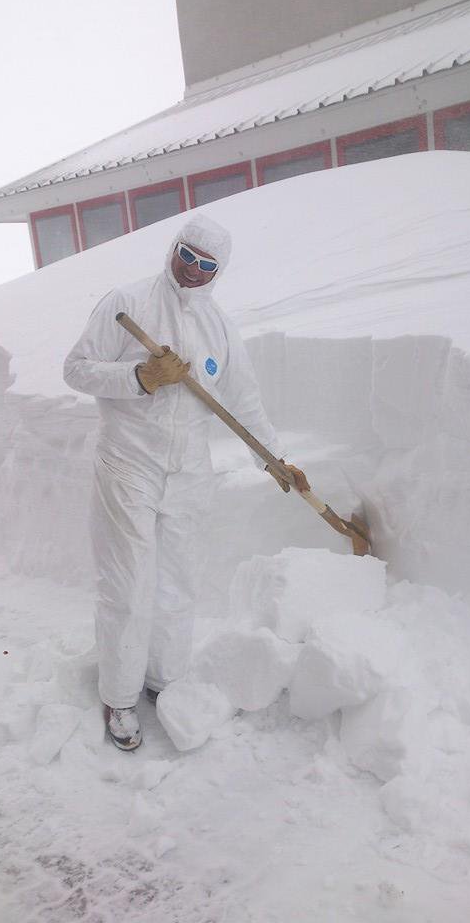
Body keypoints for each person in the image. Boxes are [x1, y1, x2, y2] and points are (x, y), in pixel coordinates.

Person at [64, 213, 308, 750]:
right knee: (129, 583)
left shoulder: (218, 326)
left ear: (219, 271)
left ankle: (163, 680)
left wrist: (275, 458)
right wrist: (139, 377)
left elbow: (242, 400)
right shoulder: (126, 303)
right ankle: (120, 696)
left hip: (189, 471)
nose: (193, 271)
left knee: (177, 582)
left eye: (206, 265)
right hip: (128, 462)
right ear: (173, 250)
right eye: (187, 256)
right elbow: (77, 369)